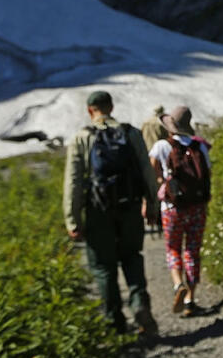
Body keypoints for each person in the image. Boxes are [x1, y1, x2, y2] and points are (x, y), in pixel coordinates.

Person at [63, 90, 157, 337]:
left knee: (104, 267)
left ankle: (115, 323)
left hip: (98, 212)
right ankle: (140, 306)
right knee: (132, 257)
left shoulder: (82, 138)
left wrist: (72, 220)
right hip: (130, 208)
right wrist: (153, 206)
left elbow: (73, 182)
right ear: (111, 107)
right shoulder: (131, 133)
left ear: (90, 110)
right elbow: (147, 171)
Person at [148, 105, 211, 317]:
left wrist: (162, 182)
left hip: (172, 207)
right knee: (192, 250)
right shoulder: (199, 147)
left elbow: (153, 168)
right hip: (197, 207)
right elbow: (207, 173)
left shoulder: (161, 146)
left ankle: (178, 284)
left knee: (173, 248)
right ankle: (190, 299)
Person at [140, 106, 169, 233]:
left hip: (147, 155)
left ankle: (149, 211)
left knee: (148, 184)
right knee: (160, 183)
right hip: (159, 155)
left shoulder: (146, 123)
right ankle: (159, 215)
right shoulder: (162, 123)